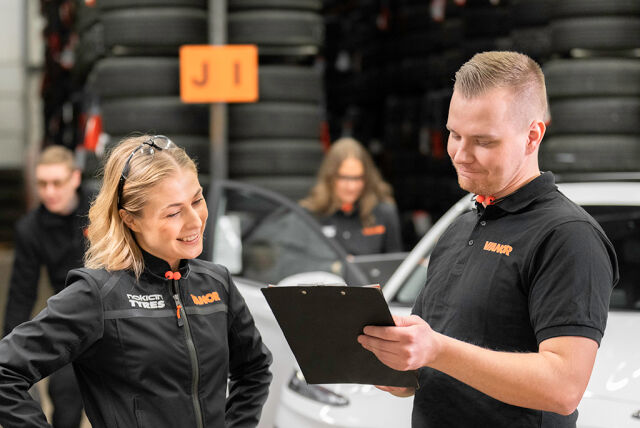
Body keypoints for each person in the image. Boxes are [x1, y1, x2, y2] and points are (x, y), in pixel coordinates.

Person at [357, 51, 618, 427]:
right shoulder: (461, 227)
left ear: (532, 136)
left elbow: (563, 388)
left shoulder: (568, 236)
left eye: (483, 140)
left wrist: (437, 350)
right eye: (454, 134)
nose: (461, 154)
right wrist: (387, 357)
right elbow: (420, 373)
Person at [0, 135, 272, 427]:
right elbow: (6, 372)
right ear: (131, 219)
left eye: (197, 199)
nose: (195, 220)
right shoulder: (97, 295)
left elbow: (254, 369)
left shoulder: (218, 283)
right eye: (173, 212)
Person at [3, 145, 89, 428]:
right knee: (63, 388)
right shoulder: (31, 228)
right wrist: (8, 354)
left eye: (57, 183)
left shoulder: (100, 211)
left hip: (114, 307)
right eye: (42, 184)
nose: (49, 192)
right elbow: (21, 293)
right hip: (72, 313)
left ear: (75, 178)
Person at [301, 137, 403, 255]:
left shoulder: (384, 212)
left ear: (368, 178)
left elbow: (395, 261)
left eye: (358, 178)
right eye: (344, 178)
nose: (352, 187)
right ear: (330, 177)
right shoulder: (310, 214)